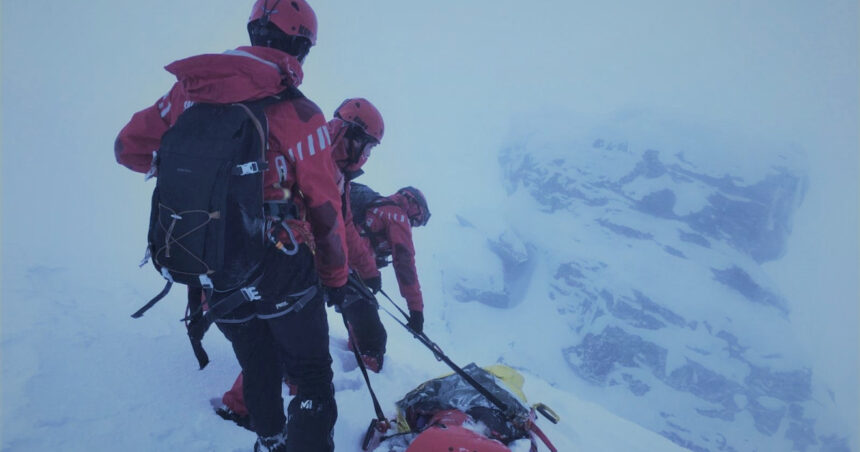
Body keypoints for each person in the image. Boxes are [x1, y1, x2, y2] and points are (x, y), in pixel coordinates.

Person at [114, 1, 349, 451]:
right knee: (311, 375)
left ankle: (272, 440)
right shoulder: (300, 114)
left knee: (258, 364)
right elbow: (324, 206)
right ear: (300, 47)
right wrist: (335, 277)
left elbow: (128, 147)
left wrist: (196, 179)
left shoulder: (189, 93)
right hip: (279, 260)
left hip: (210, 263)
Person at [215, 97, 389, 430]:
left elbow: (345, 227)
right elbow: (324, 218)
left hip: (284, 262)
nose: (366, 155)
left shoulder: (338, 174)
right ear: (351, 134)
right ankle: (241, 408)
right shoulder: (315, 155)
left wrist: (369, 272)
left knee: (290, 342)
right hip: (279, 260)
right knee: (281, 341)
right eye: (367, 146)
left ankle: (279, 404)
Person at [352, 185, 431, 335]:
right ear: (414, 205)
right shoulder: (398, 216)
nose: (413, 225)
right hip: (353, 267)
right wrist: (416, 310)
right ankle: (366, 354)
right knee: (373, 337)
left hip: (336, 258)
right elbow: (405, 264)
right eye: (416, 221)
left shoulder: (378, 205)